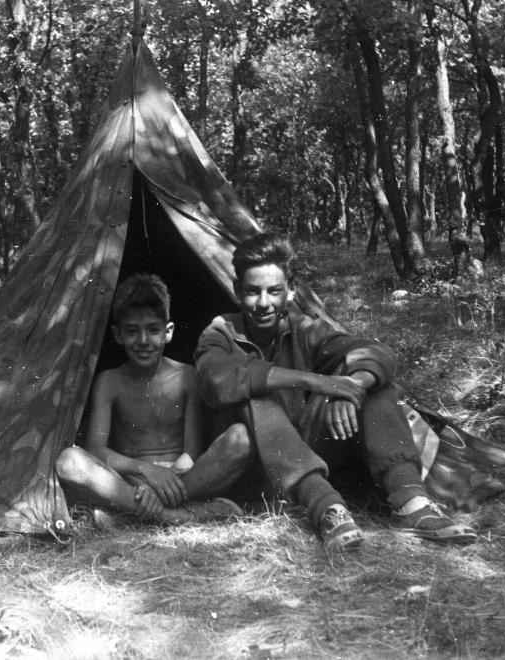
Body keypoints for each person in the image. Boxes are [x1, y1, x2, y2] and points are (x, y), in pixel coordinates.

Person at [195, 232, 477, 554]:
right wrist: (314, 382)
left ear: (290, 291)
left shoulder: (304, 328)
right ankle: (326, 508)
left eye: (274, 291)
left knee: (374, 385)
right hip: (255, 466)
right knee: (256, 396)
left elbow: (370, 350)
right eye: (252, 292)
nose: (263, 303)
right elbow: (218, 379)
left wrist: (351, 388)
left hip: (303, 454)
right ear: (236, 291)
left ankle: (410, 500)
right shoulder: (220, 331)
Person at [56, 273, 251, 524]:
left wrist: (167, 479)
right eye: (132, 331)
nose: (144, 341)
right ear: (117, 335)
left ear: (168, 332)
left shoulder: (187, 376)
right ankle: (175, 516)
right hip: (129, 481)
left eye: (153, 330)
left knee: (241, 438)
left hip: (182, 480)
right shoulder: (110, 381)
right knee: (68, 462)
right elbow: (96, 449)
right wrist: (146, 472)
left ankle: (128, 516)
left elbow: (192, 452)